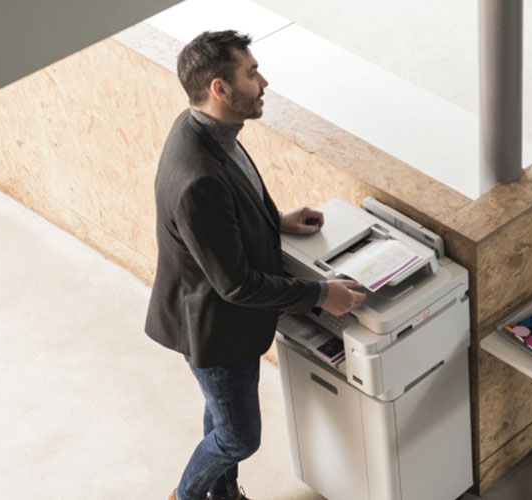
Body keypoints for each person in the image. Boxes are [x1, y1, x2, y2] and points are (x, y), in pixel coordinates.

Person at [144, 30, 367, 500]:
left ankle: (223, 495)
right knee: (238, 438)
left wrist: (275, 220)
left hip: (221, 317)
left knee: (221, 415)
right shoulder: (199, 176)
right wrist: (323, 294)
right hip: (214, 329)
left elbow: (221, 218)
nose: (263, 82)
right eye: (251, 73)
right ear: (220, 89)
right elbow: (237, 285)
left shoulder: (205, 129)